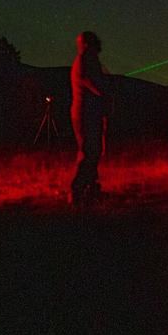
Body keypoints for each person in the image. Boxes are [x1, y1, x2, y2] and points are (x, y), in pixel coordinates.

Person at [70, 31, 110, 205]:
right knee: (88, 151)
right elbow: (88, 81)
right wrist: (103, 93)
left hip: (90, 112)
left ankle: (90, 188)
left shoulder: (89, 60)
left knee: (94, 151)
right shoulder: (84, 61)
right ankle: (76, 190)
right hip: (85, 113)